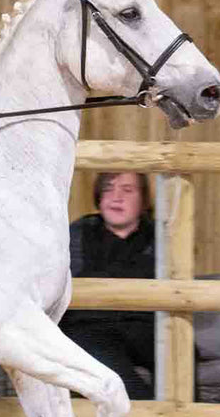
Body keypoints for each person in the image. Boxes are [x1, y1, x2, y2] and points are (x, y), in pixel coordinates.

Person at [57, 172, 156, 401]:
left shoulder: (160, 236)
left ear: (143, 201)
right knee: (116, 376)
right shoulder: (79, 232)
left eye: (127, 190)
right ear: (99, 198)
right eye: (108, 189)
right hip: (91, 326)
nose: (116, 197)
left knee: (181, 352)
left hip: (143, 325)